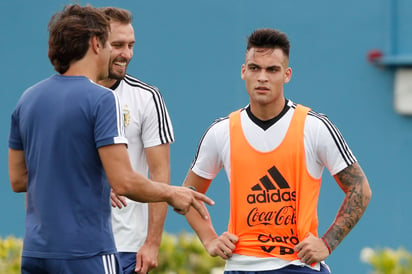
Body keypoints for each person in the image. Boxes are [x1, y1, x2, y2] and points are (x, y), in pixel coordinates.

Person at [8, 4, 213, 274]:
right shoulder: (102, 99)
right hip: (87, 253)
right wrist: (173, 193)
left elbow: (19, 180)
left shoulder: (28, 99)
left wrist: (91, 181)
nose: (120, 54)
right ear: (96, 44)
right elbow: (124, 181)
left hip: (37, 253)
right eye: (110, 44)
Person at [182, 28, 371, 273]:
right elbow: (187, 194)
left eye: (272, 70)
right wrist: (210, 239)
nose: (262, 77)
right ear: (243, 72)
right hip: (241, 266)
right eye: (254, 68)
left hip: (298, 265)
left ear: (287, 75)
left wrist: (327, 243)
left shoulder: (314, 127)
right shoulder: (222, 131)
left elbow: (360, 189)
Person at [97, 7, 174, 274]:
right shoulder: (70, 95)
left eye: (131, 45)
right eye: (118, 45)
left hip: (128, 246)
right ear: (95, 44)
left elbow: (160, 174)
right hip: (76, 243)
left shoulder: (147, 97)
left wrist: (152, 243)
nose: (127, 54)